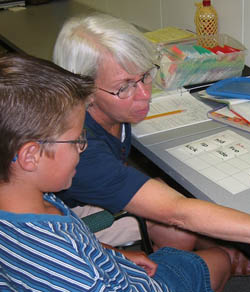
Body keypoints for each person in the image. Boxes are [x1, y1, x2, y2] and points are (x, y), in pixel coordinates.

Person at [53, 13, 250, 275]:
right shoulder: (80, 147)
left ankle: (200, 258)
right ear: (83, 88)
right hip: (70, 231)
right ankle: (199, 267)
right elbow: (178, 212)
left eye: (146, 76)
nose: (145, 95)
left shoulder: (102, 110)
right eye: (124, 87)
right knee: (186, 226)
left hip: (91, 201)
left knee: (180, 221)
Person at [0, 53, 233, 292]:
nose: (84, 146)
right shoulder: (78, 271)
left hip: (115, 267)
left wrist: (115, 256)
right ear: (31, 156)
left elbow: (80, 245)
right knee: (220, 261)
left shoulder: (29, 199)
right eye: (76, 140)